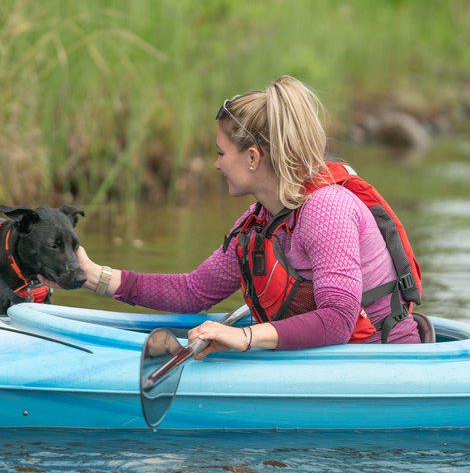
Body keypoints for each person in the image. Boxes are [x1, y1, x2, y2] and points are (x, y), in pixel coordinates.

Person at [75, 75, 425, 358]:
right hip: (325, 362)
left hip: (381, 364)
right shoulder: (261, 220)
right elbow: (194, 291)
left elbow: (338, 319)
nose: (216, 164)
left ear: (254, 158)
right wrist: (96, 277)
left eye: (221, 152)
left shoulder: (326, 209)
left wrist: (244, 336)